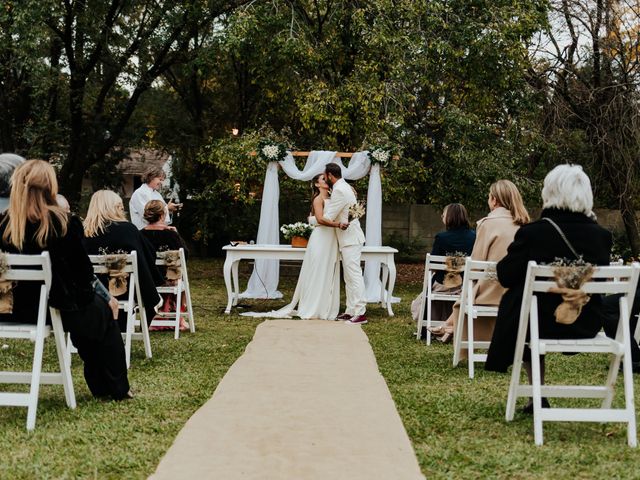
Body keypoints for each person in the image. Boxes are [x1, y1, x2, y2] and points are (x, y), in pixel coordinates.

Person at [0, 160, 131, 400]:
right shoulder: (63, 223)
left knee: (89, 312)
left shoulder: (4, 225)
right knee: (102, 312)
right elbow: (83, 276)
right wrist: (107, 298)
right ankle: (114, 389)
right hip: (55, 308)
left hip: (11, 310)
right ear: (50, 187)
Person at [485, 165, 612, 411]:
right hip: (586, 322)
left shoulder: (534, 233)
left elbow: (506, 275)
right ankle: (537, 398)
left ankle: (538, 396)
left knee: (526, 308)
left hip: (539, 323)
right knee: (531, 307)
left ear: (549, 193)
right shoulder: (602, 237)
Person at [429, 180, 530, 344]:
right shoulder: (525, 225)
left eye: (489, 197)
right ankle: (450, 324)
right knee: (473, 287)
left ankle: (450, 324)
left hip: (492, 291)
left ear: (494, 200)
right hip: (518, 291)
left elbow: (475, 264)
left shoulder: (487, 224)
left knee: (472, 286)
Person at [242, 173, 342, 319]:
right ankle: (312, 307)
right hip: (320, 238)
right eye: (323, 179)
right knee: (316, 271)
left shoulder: (334, 198)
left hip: (332, 239)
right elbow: (319, 219)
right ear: (317, 184)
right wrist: (337, 224)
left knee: (328, 271)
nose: (326, 180)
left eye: (326, 178)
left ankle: (325, 306)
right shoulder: (318, 199)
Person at [83, 190, 163, 328]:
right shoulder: (128, 230)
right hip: (124, 292)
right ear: (114, 208)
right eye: (120, 207)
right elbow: (148, 256)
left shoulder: (82, 232)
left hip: (89, 292)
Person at [411, 203, 476, 327]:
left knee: (428, 291)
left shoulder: (442, 238)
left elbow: (433, 265)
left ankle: (431, 323)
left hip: (443, 285)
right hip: (465, 286)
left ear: (450, 217)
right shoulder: (474, 237)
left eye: (443, 215)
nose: (442, 217)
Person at [323, 163, 367, 324]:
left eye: (325, 176)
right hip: (347, 239)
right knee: (348, 277)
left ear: (329, 175)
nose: (325, 178)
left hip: (350, 239)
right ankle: (350, 310)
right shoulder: (344, 186)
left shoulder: (340, 190)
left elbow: (328, 216)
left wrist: (314, 219)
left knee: (354, 275)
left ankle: (361, 312)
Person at [141, 200, 190, 330]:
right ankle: (173, 315)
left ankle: (154, 317)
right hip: (168, 280)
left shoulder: (140, 235)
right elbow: (184, 256)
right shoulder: (171, 234)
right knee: (176, 274)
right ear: (162, 215)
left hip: (147, 279)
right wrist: (177, 235)